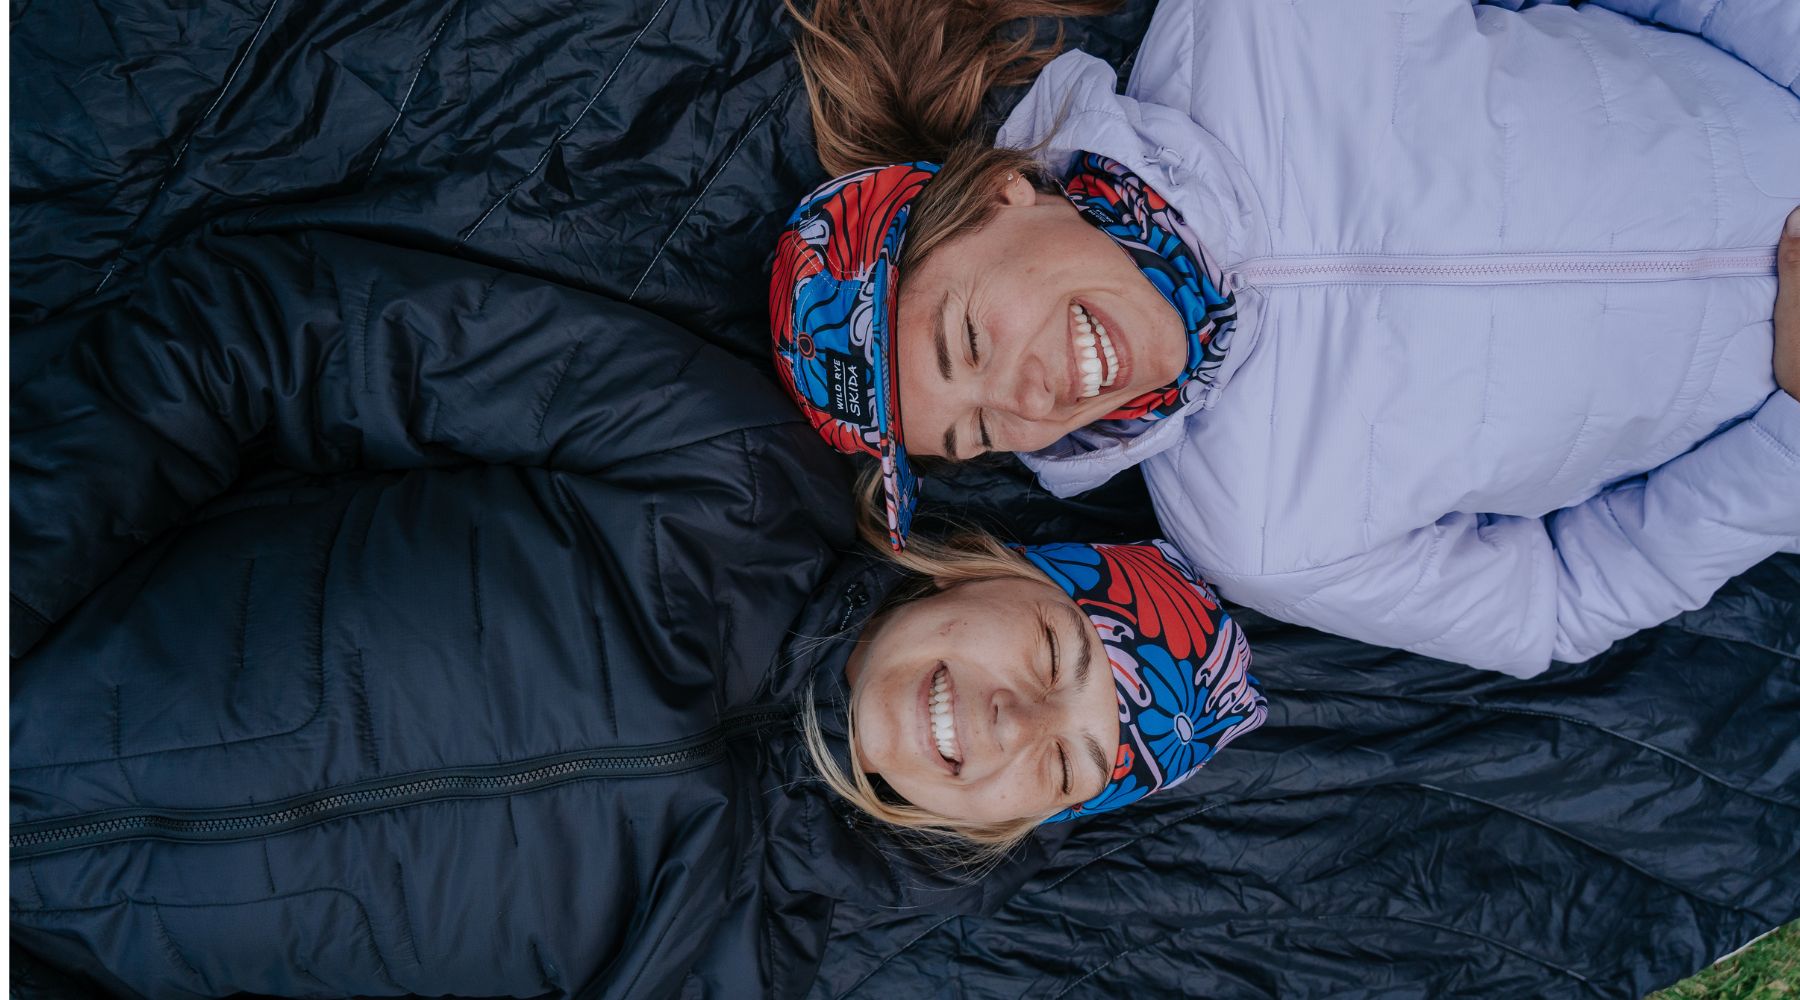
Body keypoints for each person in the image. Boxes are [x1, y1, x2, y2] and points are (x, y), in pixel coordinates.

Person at [8, 231, 1263, 997]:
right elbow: (289, 333)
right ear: (986, 569)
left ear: (1011, 827)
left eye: (1061, 763)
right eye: (1051, 651)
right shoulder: (730, 472)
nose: (1010, 717)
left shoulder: (730, 962)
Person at [770, 0, 1800, 676]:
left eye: (969, 341)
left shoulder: (1259, 23)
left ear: (999, 194)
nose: (1031, 405)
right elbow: (1558, 601)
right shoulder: (1260, 531)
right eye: (982, 431)